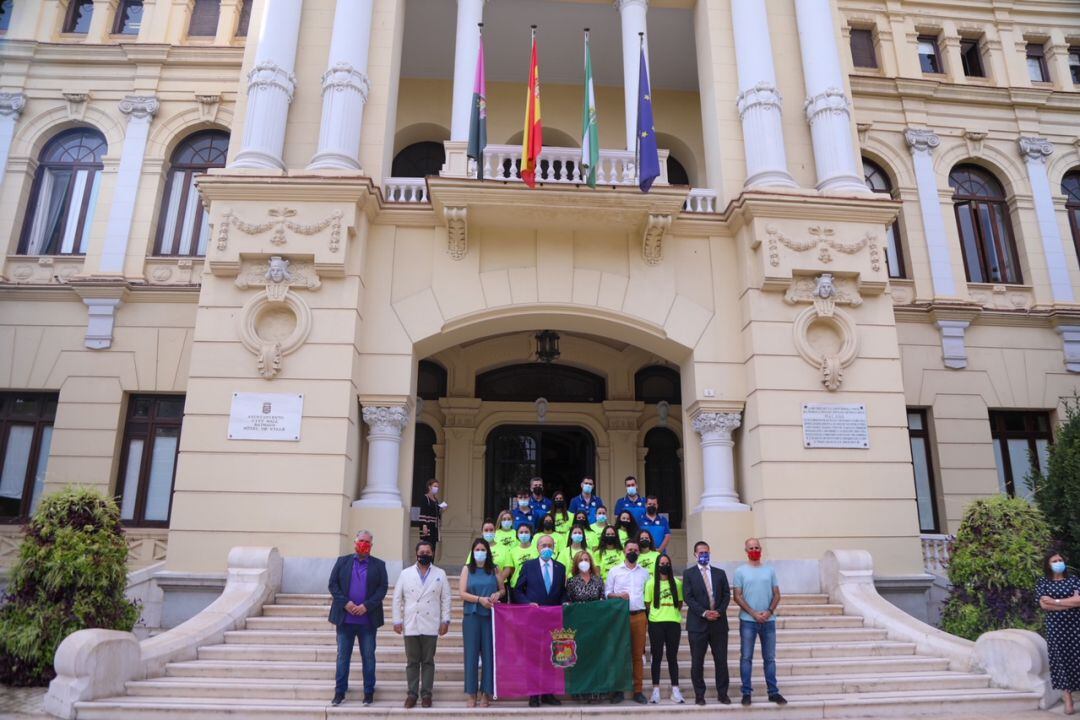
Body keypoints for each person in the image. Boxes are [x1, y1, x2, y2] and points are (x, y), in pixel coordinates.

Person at [328, 530, 388, 706]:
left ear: (372, 545)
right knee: (343, 657)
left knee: (368, 657)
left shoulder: (379, 565)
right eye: (361, 540)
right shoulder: (342, 562)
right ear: (355, 542)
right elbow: (333, 584)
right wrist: (345, 603)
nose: (364, 544)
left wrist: (366, 606)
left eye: (367, 542)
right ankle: (340, 692)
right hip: (345, 620)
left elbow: (382, 589)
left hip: (367, 621)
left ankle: (368, 692)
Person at [392, 541, 452, 708]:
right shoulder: (405, 573)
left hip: (431, 623)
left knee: (427, 661)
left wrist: (445, 620)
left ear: (432, 554)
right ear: (416, 554)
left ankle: (426, 694)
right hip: (411, 622)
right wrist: (397, 620)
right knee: (412, 661)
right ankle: (412, 694)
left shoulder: (440, 573)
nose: (424, 555)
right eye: (422, 552)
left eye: (428, 552)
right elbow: (397, 598)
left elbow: (446, 598)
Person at [513, 534, 567, 707]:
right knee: (534, 656)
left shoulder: (560, 567)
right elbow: (517, 590)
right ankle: (534, 694)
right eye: (543, 545)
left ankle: (548, 693)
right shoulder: (528, 566)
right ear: (537, 548)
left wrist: (565, 602)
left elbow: (562, 592)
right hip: (533, 618)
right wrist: (527, 603)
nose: (546, 548)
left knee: (552, 656)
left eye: (549, 545)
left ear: (554, 548)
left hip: (553, 619)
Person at [733, 537, 786, 706]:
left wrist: (769, 612)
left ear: (761, 549)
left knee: (769, 658)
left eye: (757, 547)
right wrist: (754, 613)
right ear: (746, 551)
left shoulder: (770, 570)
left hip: (768, 621)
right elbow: (737, 596)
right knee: (746, 657)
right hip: (748, 621)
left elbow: (777, 594)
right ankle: (746, 693)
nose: (754, 550)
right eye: (751, 548)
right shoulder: (740, 571)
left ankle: (773, 692)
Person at [682, 540, 731, 706]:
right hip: (697, 624)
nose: (704, 555)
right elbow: (688, 597)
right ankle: (699, 695)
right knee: (697, 662)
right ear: (695, 554)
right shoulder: (689, 574)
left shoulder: (720, 573)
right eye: (701, 552)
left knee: (721, 661)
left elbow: (726, 595)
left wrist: (719, 611)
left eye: (706, 552)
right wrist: (704, 613)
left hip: (719, 623)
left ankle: (722, 694)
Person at [604, 539, 651, 704]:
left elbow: (648, 595)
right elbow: (607, 593)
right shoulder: (614, 571)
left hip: (639, 616)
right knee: (619, 653)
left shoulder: (645, 573)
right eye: (630, 549)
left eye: (636, 550)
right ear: (624, 551)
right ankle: (618, 690)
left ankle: (638, 690)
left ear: (639, 553)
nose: (633, 552)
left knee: (638, 655)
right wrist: (618, 596)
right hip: (619, 618)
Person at [460, 538, 505, 707]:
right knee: (471, 654)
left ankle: (486, 692)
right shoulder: (467, 569)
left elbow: (502, 589)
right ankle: (471, 693)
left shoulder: (494, 569)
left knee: (488, 654)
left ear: (488, 552)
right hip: (472, 615)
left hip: (490, 616)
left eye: (483, 549)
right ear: (472, 552)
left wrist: (498, 594)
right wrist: (479, 599)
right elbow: (462, 593)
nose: (480, 552)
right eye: (477, 549)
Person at [1037, 550, 1080, 715]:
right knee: (1061, 661)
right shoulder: (1043, 582)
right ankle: (1068, 700)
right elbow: (1044, 605)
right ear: (1048, 565)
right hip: (1056, 628)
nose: (1058, 563)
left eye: (1060, 560)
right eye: (1054, 561)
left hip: (1076, 626)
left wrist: (1056, 601)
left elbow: (1079, 601)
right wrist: (1070, 602)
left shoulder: (1073, 580)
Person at [565, 549, 606, 704]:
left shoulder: (598, 580)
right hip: (579, 624)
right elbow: (569, 602)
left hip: (596, 624)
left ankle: (595, 690)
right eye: (581, 560)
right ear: (576, 563)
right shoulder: (571, 582)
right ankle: (580, 689)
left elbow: (603, 599)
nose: (584, 562)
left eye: (587, 559)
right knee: (580, 656)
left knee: (595, 656)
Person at [645, 554, 685, 704]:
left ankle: (675, 690)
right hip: (656, 623)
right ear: (657, 565)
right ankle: (656, 690)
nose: (664, 566)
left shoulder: (677, 583)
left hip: (673, 622)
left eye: (667, 563)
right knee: (656, 656)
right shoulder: (650, 584)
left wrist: (670, 613)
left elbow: (679, 603)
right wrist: (657, 614)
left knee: (672, 656)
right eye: (662, 563)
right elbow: (647, 604)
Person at [416, 479, 445, 556]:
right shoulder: (425, 498)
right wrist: (424, 525)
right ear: (429, 487)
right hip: (427, 526)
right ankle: (425, 561)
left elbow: (436, 513)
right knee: (426, 546)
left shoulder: (436, 500)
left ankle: (431, 562)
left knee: (433, 547)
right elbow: (423, 512)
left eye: (437, 487)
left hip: (434, 527)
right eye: (435, 486)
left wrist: (441, 509)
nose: (437, 488)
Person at [508, 523, 539, 588]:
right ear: (517, 534)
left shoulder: (537, 549)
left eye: (526, 532)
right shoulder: (512, 551)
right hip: (516, 585)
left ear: (531, 534)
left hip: (534, 585)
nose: (524, 534)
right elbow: (512, 570)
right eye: (521, 532)